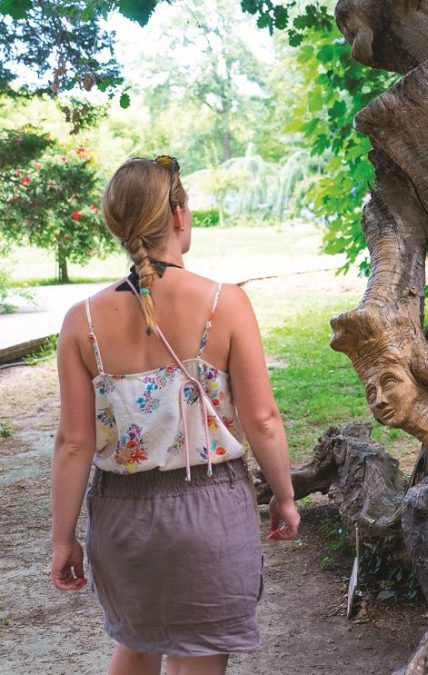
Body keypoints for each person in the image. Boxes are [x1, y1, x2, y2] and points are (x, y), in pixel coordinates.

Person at [49, 156, 300, 675]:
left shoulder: (82, 321)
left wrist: (62, 536)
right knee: (200, 654)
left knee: (136, 645)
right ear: (180, 214)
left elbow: (74, 443)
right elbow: (263, 419)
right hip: (209, 510)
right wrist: (284, 495)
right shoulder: (224, 304)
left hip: (121, 520)